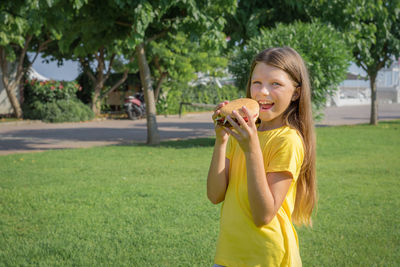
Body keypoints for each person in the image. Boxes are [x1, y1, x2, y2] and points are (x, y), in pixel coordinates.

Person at [207, 47, 317, 267]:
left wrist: (251, 148)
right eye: (256, 82)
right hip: (230, 255)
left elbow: (263, 215)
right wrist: (221, 141)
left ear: (296, 92)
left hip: (268, 258)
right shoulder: (244, 132)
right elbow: (215, 194)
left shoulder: (287, 140)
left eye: (275, 84)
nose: (263, 92)